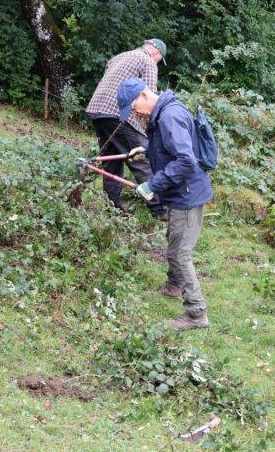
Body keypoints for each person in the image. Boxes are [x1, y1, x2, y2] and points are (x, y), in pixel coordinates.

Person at [117, 78, 213, 331]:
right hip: (181, 191)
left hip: (188, 194)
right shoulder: (163, 113)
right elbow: (168, 145)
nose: (135, 113)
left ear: (144, 95)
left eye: (134, 107)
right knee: (174, 241)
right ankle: (173, 287)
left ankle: (196, 313)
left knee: (181, 253)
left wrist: (152, 185)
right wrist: (145, 148)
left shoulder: (168, 115)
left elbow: (185, 160)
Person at [85, 39, 169, 218]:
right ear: (157, 54)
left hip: (97, 111)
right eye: (160, 60)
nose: (158, 63)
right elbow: (149, 98)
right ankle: (161, 210)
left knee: (111, 162)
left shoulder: (119, 57)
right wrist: (151, 132)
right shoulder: (148, 62)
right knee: (141, 159)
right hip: (118, 114)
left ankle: (112, 208)